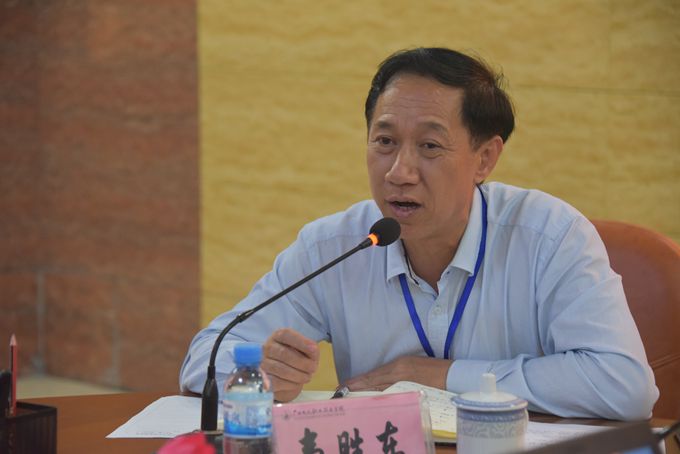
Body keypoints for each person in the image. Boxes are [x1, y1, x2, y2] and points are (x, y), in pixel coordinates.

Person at [180, 47, 658, 420]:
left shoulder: (549, 237)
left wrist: (442, 377)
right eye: (385, 142)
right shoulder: (334, 247)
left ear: (485, 158)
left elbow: (624, 385)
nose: (399, 172)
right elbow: (205, 356)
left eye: (429, 146)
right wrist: (259, 372)